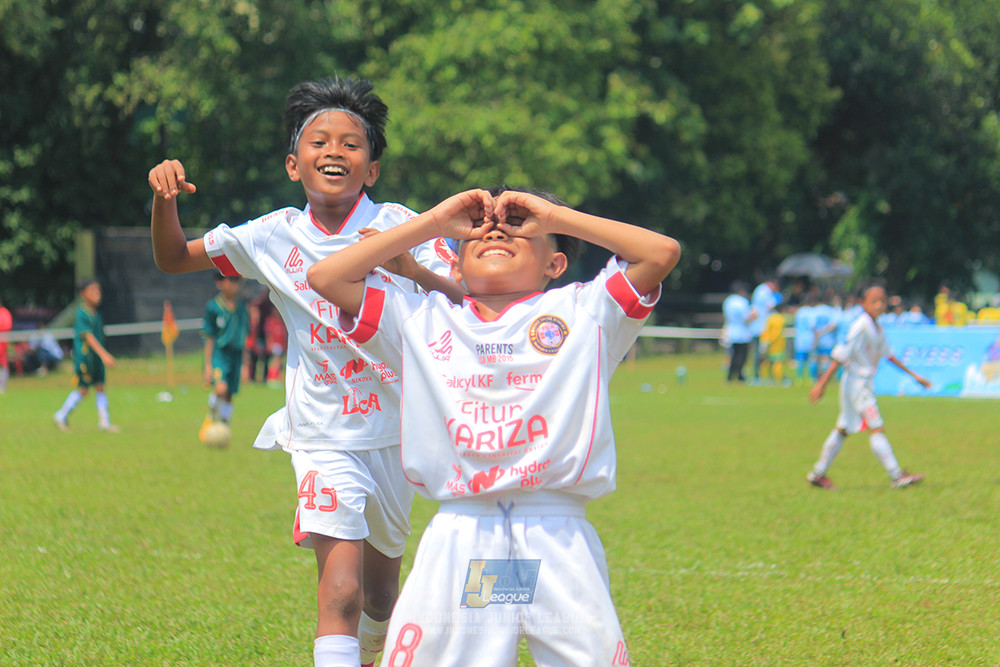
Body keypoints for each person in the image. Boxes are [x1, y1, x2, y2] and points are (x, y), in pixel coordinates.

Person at [148, 75, 462, 667]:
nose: (334, 152)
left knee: (380, 595)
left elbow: (464, 301)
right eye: (319, 142)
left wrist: (418, 271)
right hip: (321, 435)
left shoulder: (407, 225)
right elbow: (172, 257)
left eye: (351, 143)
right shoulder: (272, 236)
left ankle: (373, 651)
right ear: (294, 165)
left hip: (400, 433)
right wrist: (165, 201)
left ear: (371, 169)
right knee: (339, 589)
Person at [307, 185, 681, 666]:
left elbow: (662, 252)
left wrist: (556, 217)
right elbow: (326, 275)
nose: (496, 234)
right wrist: (436, 222)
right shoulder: (421, 321)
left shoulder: (585, 312)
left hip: (556, 534)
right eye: (479, 233)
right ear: (455, 267)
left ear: (555, 264)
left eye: (519, 230)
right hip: (464, 531)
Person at [806, 282, 931, 490]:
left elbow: (889, 356)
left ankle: (817, 473)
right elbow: (840, 355)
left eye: (882, 301)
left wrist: (915, 376)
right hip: (857, 385)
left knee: (843, 429)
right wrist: (822, 383)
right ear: (862, 303)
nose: (879, 305)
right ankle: (896, 475)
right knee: (876, 428)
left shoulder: (876, 326)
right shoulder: (860, 326)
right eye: (873, 301)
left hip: (857, 384)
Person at [53, 279, 119, 432]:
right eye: (93, 291)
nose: (97, 294)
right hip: (86, 359)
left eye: (98, 291)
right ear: (83, 294)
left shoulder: (97, 314)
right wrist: (104, 355)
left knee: (100, 387)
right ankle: (61, 415)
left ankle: (104, 422)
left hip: (96, 359)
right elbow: (88, 337)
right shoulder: (82, 313)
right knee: (83, 389)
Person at [200, 274, 250, 439]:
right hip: (220, 354)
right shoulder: (213, 306)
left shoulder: (241, 307)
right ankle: (210, 417)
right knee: (220, 388)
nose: (235, 285)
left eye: (237, 281)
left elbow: (244, 336)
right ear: (220, 283)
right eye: (231, 280)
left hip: (236, 355)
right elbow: (209, 337)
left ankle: (224, 426)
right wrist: (207, 365)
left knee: (230, 394)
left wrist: (245, 364)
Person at [722, 281, 754, 382]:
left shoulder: (728, 301)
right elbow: (746, 317)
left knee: (733, 355)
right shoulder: (742, 302)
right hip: (742, 332)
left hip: (731, 331)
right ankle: (740, 375)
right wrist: (754, 316)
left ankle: (731, 376)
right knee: (742, 356)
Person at [749, 278, 780, 382]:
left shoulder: (759, 290)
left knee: (758, 352)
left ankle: (758, 374)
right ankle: (761, 375)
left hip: (757, 326)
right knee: (764, 352)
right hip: (764, 327)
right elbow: (771, 305)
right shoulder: (766, 291)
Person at [759, 302, 790, 385]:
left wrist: (765, 342)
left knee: (766, 361)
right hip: (777, 344)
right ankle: (778, 379)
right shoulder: (781, 319)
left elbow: (765, 330)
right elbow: (777, 333)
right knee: (778, 362)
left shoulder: (770, 317)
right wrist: (771, 341)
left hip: (767, 341)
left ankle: (764, 378)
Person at [0, 297, 11, 393]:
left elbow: (6, 326)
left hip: (2, 342)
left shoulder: (4, 312)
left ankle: (3, 385)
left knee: (3, 363)